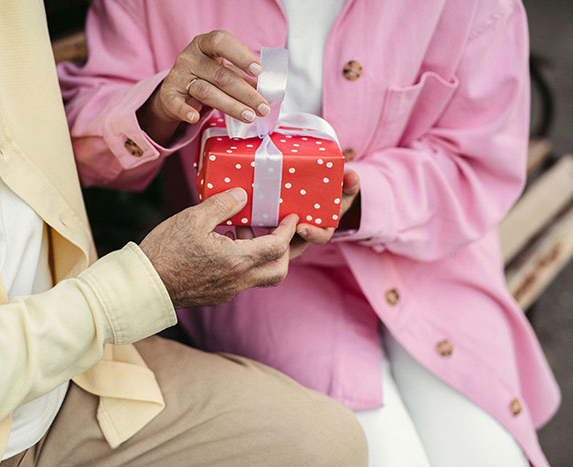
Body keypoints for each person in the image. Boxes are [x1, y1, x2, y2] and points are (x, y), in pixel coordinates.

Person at [58, 0, 560, 466]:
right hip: (262, 274)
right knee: (377, 451)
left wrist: (362, 198)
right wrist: (159, 107)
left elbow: (476, 163)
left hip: (431, 256)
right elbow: (77, 146)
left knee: (489, 451)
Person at [0, 2, 368, 466]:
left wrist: (154, 110)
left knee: (330, 443)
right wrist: (136, 289)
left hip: (76, 377)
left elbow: (57, 139)